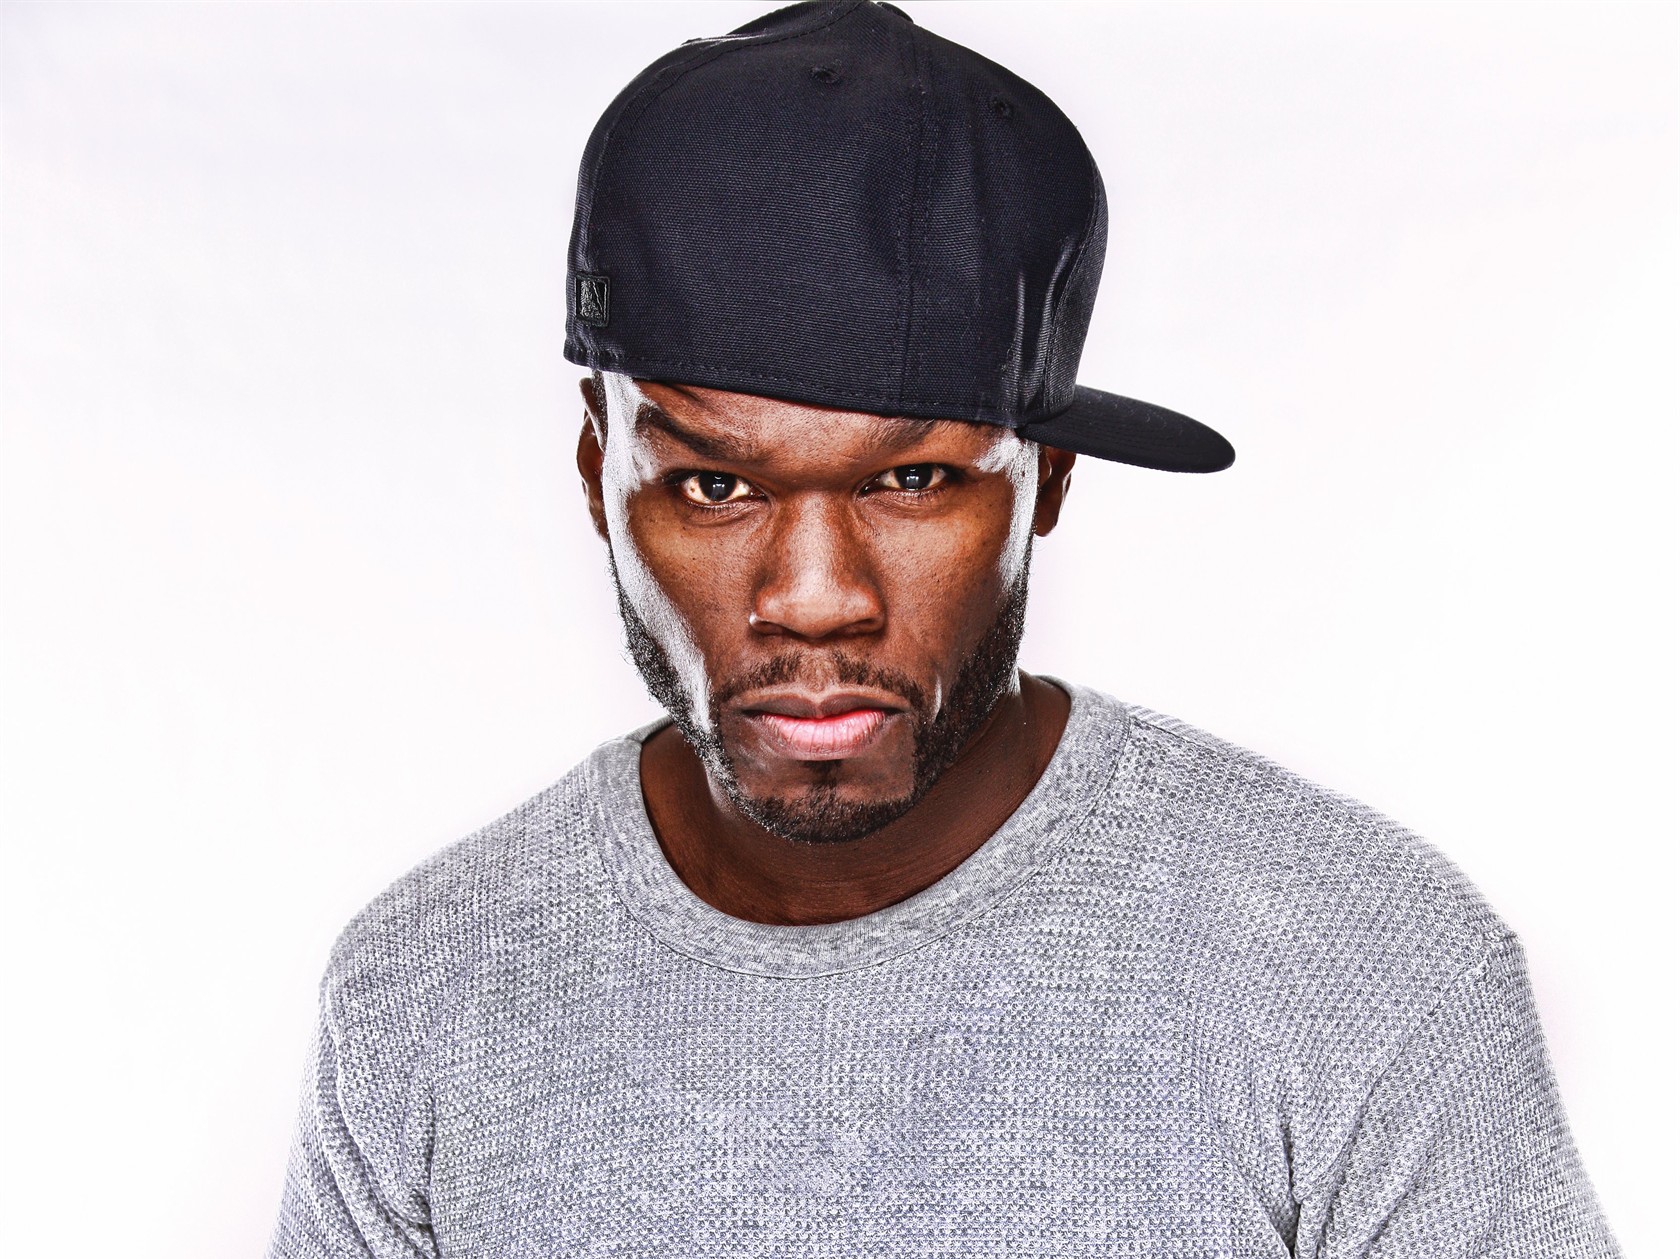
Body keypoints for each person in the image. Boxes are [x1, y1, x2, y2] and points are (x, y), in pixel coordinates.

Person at [267, 2, 1622, 1254]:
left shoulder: (1356, 972)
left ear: (1047, 480)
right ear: (595, 473)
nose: (814, 595)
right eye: (716, 485)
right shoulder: (427, 988)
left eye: (912, 480)